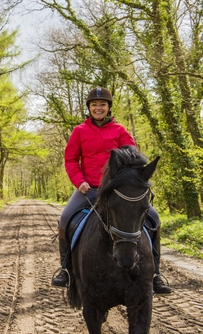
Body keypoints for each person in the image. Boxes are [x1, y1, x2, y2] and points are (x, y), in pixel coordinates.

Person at [51, 87, 172, 294]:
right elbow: (71, 160)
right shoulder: (79, 131)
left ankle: (156, 274)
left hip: (117, 191)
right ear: (89, 108)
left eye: (102, 105)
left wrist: (126, 180)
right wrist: (79, 181)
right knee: (65, 218)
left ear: (108, 107)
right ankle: (66, 269)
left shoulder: (120, 130)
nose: (98, 108)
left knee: (154, 218)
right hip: (89, 188)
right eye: (94, 105)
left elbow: (133, 157)